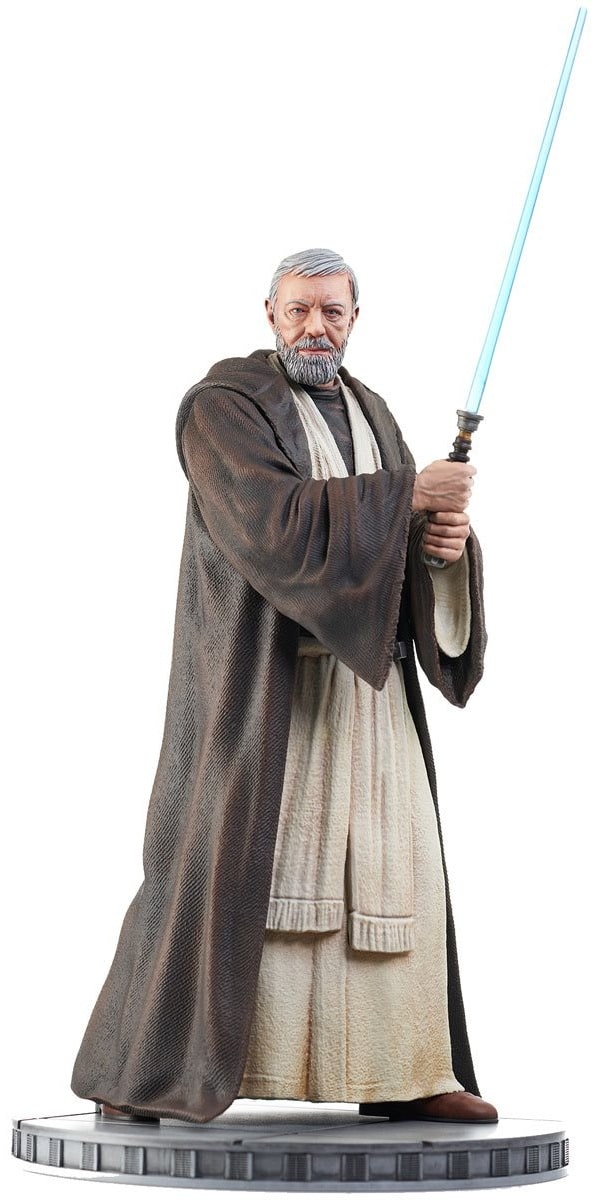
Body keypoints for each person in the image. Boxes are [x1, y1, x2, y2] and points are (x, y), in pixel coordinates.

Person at [71, 248, 497, 1124]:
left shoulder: (374, 414)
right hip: (265, 693)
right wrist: (406, 497)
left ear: (355, 319)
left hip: (369, 700)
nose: (315, 327)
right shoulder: (224, 407)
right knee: (225, 870)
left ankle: (406, 1069)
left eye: (333, 312)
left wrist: (440, 549)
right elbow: (268, 524)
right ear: (269, 313)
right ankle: (150, 1069)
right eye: (299, 309)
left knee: (397, 874)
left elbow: (398, 545)